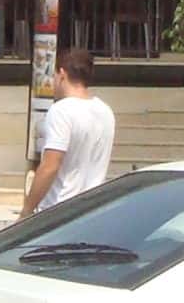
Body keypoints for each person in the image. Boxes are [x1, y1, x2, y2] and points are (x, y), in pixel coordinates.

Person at [20, 49, 115, 219]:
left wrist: (27, 210)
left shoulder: (61, 111)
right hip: (92, 210)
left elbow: (50, 165)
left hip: (60, 210)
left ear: (62, 74)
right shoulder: (105, 111)